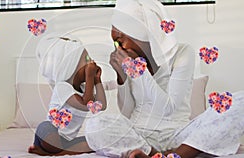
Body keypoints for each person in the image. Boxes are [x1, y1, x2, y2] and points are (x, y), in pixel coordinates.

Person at [84, 0, 244, 158]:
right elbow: (126, 113)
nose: (119, 48)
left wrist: (138, 71)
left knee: (239, 102)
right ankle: (154, 155)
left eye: (120, 40)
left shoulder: (182, 53)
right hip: (139, 136)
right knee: (95, 125)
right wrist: (121, 77)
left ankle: (176, 154)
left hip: (179, 136)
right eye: (115, 42)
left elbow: (169, 109)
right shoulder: (130, 59)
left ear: (143, 36)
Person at [28, 33, 107, 156]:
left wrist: (97, 80)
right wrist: (90, 76)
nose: (91, 62)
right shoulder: (62, 87)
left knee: (97, 140)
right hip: (49, 133)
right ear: (70, 66)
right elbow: (87, 104)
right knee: (47, 127)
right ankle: (51, 149)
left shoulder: (84, 89)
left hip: (66, 141)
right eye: (87, 59)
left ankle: (56, 152)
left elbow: (101, 106)